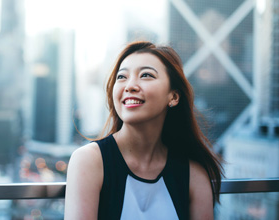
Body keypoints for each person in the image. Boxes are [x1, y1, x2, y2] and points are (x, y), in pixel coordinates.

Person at [64, 41, 223, 220]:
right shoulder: (90, 161)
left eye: (146, 75)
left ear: (174, 96)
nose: (130, 86)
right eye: (122, 77)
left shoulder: (193, 174)